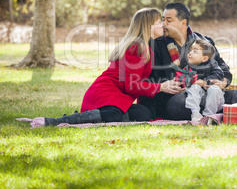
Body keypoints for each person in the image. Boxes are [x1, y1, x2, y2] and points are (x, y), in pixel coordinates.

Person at [140, 2, 237, 124]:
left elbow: (224, 70)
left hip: (208, 93)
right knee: (182, 102)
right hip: (177, 98)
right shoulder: (157, 44)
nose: (164, 24)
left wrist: (222, 82)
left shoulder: (204, 41)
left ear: (183, 22)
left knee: (235, 94)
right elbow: (152, 78)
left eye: (169, 20)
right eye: (163, 20)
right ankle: (217, 113)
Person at [44, 8, 182, 126]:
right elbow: (131, 85)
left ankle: (97, 115)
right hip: (105, 94)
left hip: (117, 97)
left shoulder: (145, 47)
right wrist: (160, 87)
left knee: (143, 113)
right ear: (148, 26)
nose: (163, 25)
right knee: (116, 114)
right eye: (159, 22)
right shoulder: (136, 47)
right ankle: (65, 120)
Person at [180, 39, 225, 123]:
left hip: (215, 100)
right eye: (191, 49)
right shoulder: (188, 66)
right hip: (199, 99)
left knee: (214, 89)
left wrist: (205, 82)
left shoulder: (212, 64)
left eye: (195, 51)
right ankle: (195, 113)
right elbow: (182, 77)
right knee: (194, 87)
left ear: (204, 58)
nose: (190, 53)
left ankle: (209, 116)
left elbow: (219, 74)